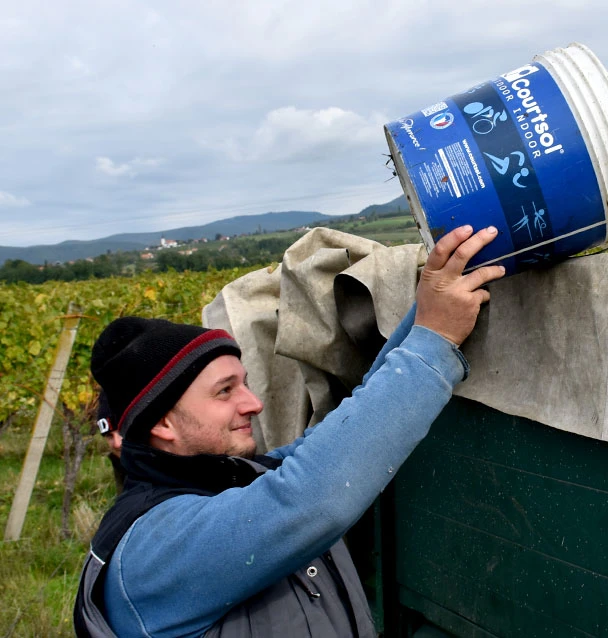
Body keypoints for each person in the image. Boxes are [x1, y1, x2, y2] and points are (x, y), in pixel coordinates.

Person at [74, 226, 505, 637]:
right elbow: (311, 498)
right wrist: (434, 341)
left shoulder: (232, 480)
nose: (253, 402)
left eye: (244, 382)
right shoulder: (155, 552)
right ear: (162, 423)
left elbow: (339, 437)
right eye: (225, 392)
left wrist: (429, 312)